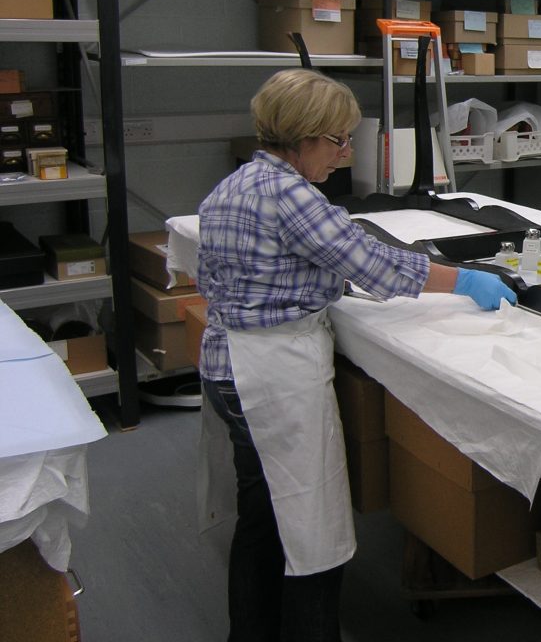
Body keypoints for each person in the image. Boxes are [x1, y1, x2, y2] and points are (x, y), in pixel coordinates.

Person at [195, 69, 515, 642]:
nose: (344, 155)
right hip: (274, 377)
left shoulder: (234, 185)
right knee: (312, 527)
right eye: (338, 140)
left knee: (263, 519)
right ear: (304, 137)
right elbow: (375, 264)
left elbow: (242, 272)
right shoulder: (291, 193)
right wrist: (465, 280)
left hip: (226, 368)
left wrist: (314, 280)